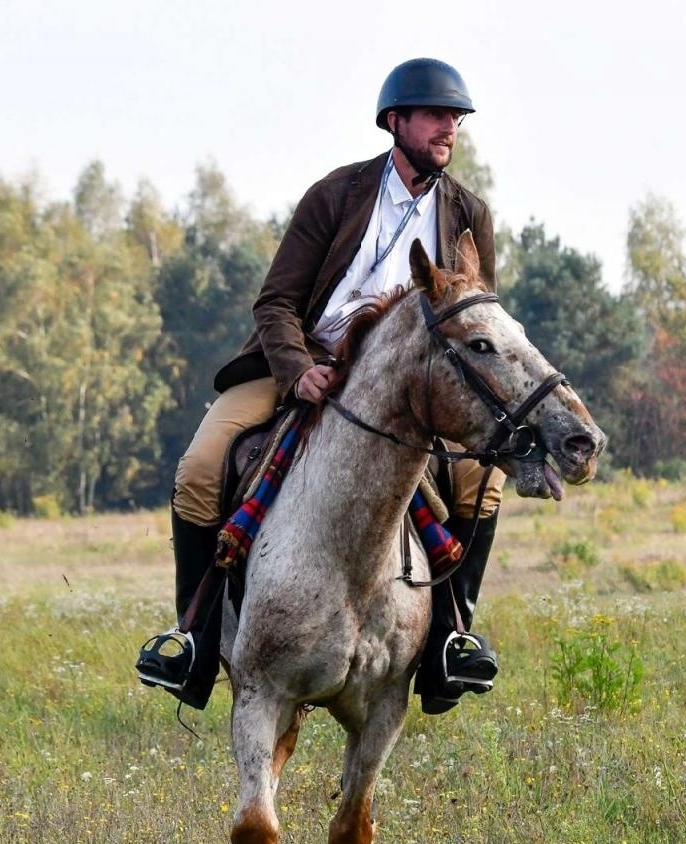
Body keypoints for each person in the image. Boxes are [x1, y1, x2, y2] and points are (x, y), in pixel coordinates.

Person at [136, 57, 508, 715]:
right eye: (435, 115)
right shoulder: (335, 195)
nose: (449, 127)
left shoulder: (469, 213)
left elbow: (474, 314)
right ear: (395, 122)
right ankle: (192, 642)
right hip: (306, 365)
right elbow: (276, 302)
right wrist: (297, 369)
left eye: (455, 117)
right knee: (199, 467)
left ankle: (452, 640)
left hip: (408, 386)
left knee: (485, 476)